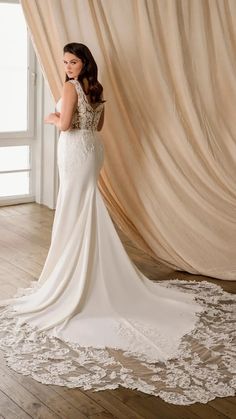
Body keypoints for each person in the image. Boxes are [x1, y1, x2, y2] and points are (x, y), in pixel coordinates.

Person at [0, 43, 235, 405]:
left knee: (74, 205)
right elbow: (100, 124)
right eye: (64, 62)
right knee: (84, 204)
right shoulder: (95, 88)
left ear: (84, 62)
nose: (67, 66)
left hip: (75, 148)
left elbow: (64, 125)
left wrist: (50, 118)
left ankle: (75, 272)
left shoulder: (67, 88)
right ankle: (83, 266)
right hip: (93, 148)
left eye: (72, 61)